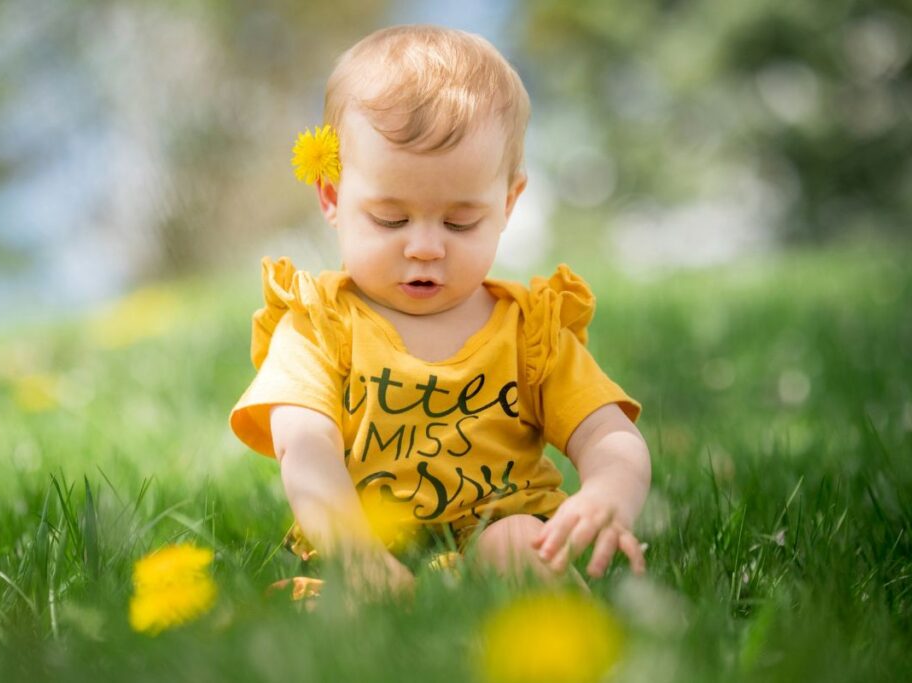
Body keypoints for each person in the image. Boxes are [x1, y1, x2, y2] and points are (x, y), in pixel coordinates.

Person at [230, 25, 651, 595]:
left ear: (506, 204)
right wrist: (353, 550)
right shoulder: (320, 326)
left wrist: (608, 491)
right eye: (390, 219)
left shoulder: (530, 331)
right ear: (331, 197)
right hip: (366, 542)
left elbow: (607, 433)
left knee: (520, 545)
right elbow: (304, 447)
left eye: (459, 222)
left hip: (505, 526)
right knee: (325, 609)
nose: (425, 245)